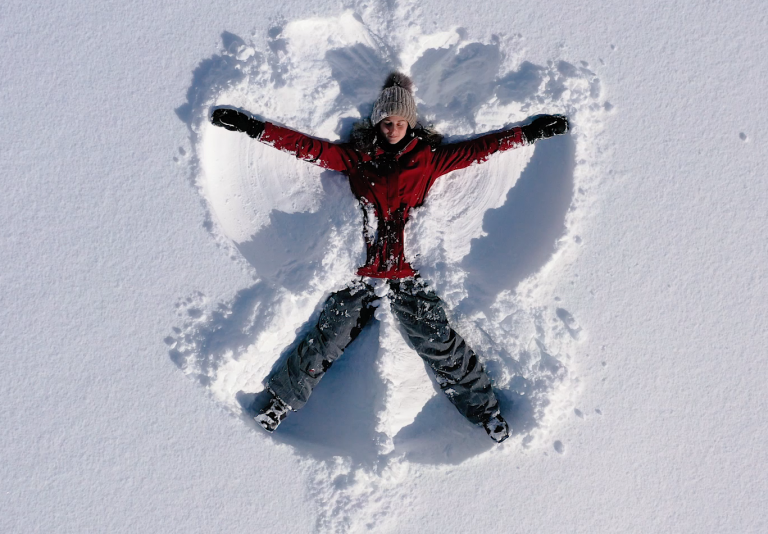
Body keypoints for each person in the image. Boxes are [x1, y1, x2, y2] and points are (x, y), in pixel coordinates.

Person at [211, 73, 569, 443]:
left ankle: (485, 412)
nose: (393, 128)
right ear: (377, 124)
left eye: (399, 122)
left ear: (410, 123)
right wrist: (252, 128)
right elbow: (308, 147)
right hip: (362, 276)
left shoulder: (428, 159)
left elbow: (480, 149)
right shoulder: (358, 158)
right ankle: (278, 404)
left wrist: (530, 133)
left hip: (406, 275)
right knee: (327, 337)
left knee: (437, 340)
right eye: (387, 122)